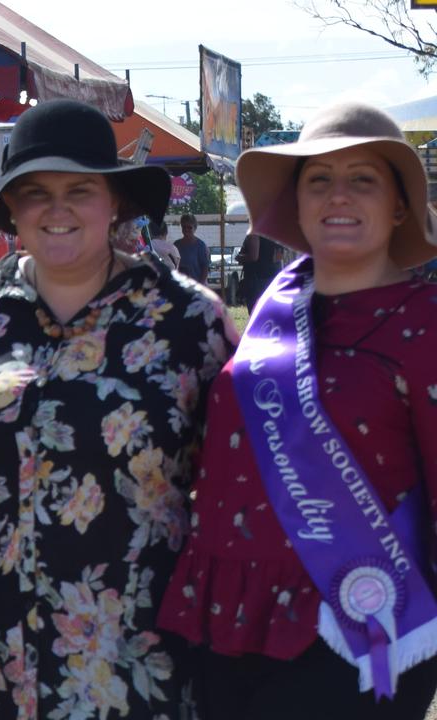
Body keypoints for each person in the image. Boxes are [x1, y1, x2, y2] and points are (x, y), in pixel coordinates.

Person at [0, 98, 235, 719]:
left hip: (133, 663)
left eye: (79, 189)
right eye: (35, 191)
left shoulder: (190, 320)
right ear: (10, 206)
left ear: (115, 201)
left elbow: (234, 487)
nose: (56, 208)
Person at [159, 102, 437, 719]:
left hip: (354, 626)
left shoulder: (426, 321)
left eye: (362, 179)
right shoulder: (273, 311)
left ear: (398, 206)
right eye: (319, 180)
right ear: (299, 202)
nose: (338, 196)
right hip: (225, 617)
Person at [237, 232, 283, 310]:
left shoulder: (255, 233)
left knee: (255, 310)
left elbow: (254, 257)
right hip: (273, 277)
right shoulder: (275, 233)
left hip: (257, 279)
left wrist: (239, 257)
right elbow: (279, 257)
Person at [175, 212, 209, 282]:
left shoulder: (200, 246)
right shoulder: (176, 245)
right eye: (184, 227)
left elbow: (205, 269)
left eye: (189, 227)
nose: (186, 229)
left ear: (195, 228)